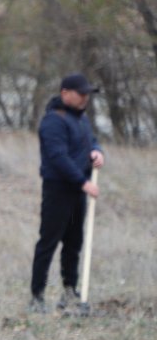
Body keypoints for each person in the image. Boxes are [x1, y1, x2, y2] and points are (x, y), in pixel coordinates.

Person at [29, 72, 105, 315]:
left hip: (77, 192)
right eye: (81, 94)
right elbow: (58, 157)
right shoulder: (54, 121)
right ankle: (36, 296)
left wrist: (97, 152)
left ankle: (69, 292)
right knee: (48, 242)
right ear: (65, 93)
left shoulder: (80, 119)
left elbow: (91, 141)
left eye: (87, 95)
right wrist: (83, 182)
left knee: (74, 243)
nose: (85, 98)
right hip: (58, 190)